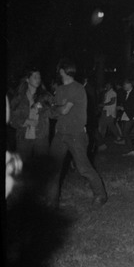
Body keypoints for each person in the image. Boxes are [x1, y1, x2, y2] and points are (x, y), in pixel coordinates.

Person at [47, 59, 107, 206]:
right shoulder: (60, 90)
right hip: (60, 133)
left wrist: (55, 107)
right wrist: (56, 108)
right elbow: (52, 113)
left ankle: (101, 194)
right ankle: (51, 202)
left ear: (62, 71)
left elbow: (63, 110)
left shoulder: (78, 88)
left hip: (76, 135)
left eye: (59, 70)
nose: (58, 73)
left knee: (83, 168)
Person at [8, 68, 52, 162]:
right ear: (27, 79)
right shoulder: (19, 97)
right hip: (23, 138)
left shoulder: (46, 96)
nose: (38, 79)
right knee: (22, 169)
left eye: (39, 77)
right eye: (35, 77)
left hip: (41, 139)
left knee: (42, 169)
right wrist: (26, 121)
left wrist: (42, 108)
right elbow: (12, 119)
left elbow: (54, 112)